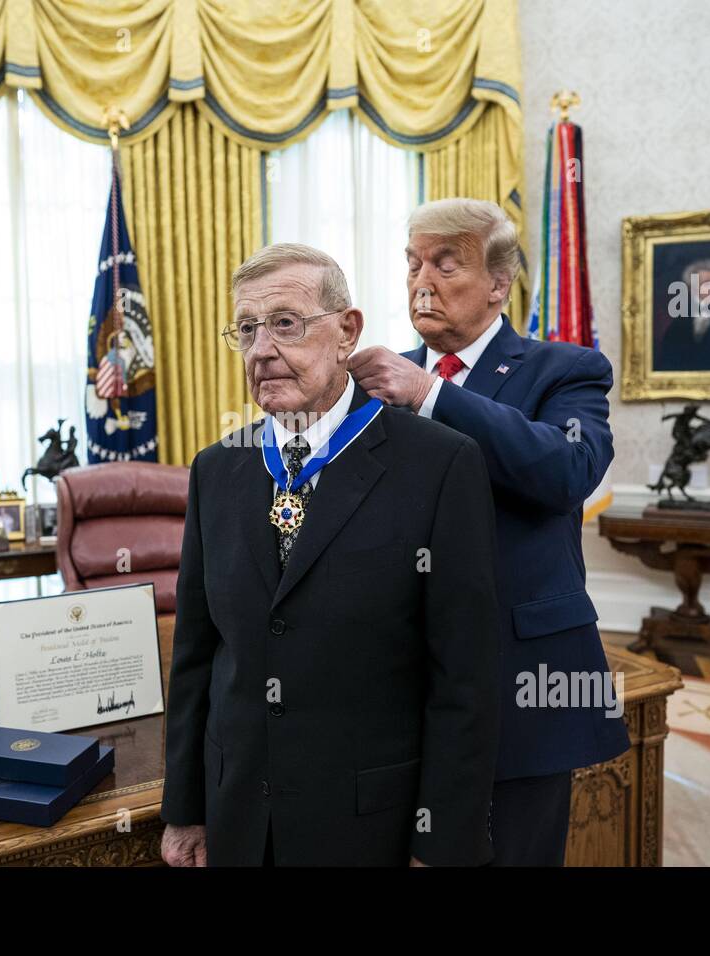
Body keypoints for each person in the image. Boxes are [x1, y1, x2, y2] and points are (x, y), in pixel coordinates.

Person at [160, 243, 499, 866]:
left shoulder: (440, 464)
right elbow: (196, 657)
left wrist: (442, 843)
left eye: (285, 323)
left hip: (372, 826)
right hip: (237, 819)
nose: (261, 349)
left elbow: (466, 681)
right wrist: (184, 808)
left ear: (347, 332)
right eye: (247, 329)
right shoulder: (217, 469)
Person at [348, 198, 630, 865]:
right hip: (396, 680)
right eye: (414, 262)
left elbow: (567, 469)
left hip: (520, 682)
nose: (423, 279)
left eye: (446, 264)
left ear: (498, 284)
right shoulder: (372, 383)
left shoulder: (565, 369)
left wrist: (431, 396)